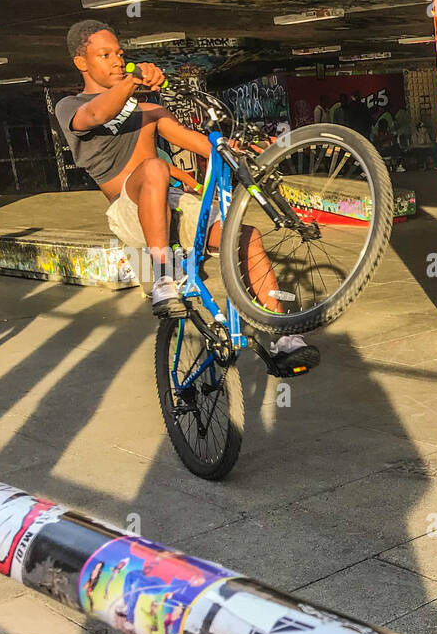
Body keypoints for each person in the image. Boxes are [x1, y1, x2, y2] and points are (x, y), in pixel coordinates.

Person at [54, 20, 317, 374]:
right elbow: (97, 114)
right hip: (130, 210)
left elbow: (198, 143)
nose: (117, 61)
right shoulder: (71, 106)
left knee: (246, 239)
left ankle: (283, 338)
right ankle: (164, 275)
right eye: (105, 55)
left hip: (175, 204)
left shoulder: (148, 110)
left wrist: (246, 150)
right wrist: (133, 81)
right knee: (154, 169)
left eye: (119, 53)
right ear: (81, 62)